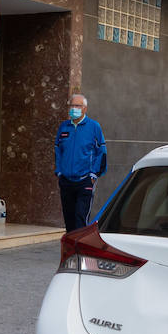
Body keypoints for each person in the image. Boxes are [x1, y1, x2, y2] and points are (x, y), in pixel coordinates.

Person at [54, 93, 107, 231]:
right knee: (69, 220)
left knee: (80, 218)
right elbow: (58, 151)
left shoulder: (94, 127)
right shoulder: (64, 127)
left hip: (84, 181)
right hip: (66, 180)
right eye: (72, 105)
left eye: (77, 105)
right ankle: (71, 251)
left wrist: (94, 175)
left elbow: (101, 152)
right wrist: (59, 172)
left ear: (84, 109)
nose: (74, 108)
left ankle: (80, 251)